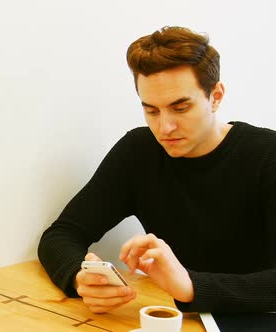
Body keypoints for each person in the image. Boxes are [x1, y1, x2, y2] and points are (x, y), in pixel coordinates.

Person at [37, 26, 276, 314]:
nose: (165, 128)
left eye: (180, 108)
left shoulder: (267, 155)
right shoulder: (139, 151)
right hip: (170, 317)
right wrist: (80, 277)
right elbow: (61, 234)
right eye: (151, 110)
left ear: (216, 96)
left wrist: (190, 286)